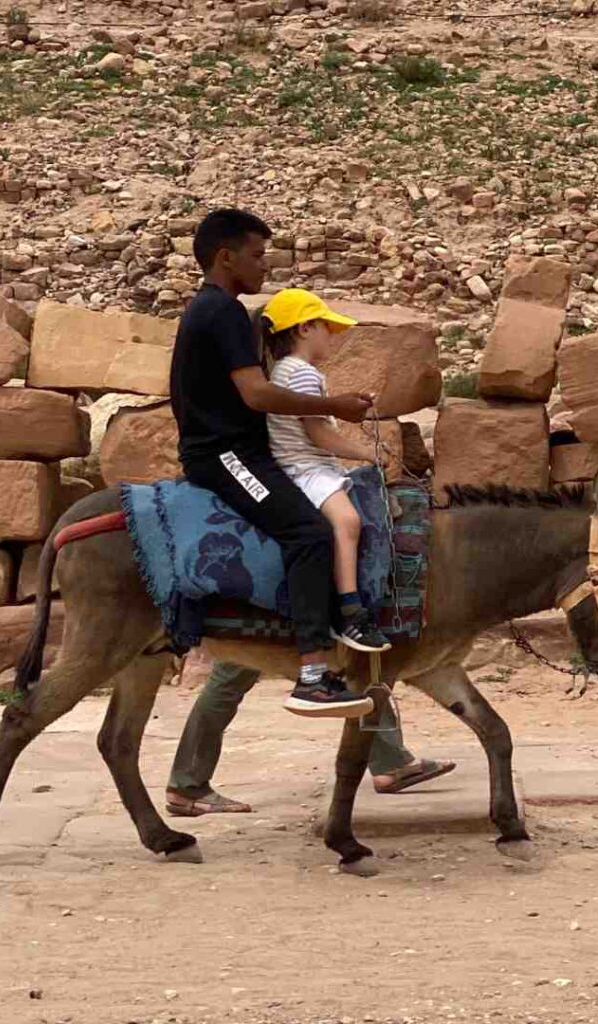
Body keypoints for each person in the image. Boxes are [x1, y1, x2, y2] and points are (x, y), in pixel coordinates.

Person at [170, 208, 373, 719]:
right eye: (258, 256)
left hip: (241, 451)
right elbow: (257, 395)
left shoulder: (220, 311)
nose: (265, 268)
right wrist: (336, 406)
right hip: (223, 456)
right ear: (225, 257)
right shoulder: (221, 312)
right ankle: (311, 673)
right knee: (309, 533)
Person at [261, 287, 391, 653]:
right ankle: (350, 611)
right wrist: (368, 453)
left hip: (308, 465)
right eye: (326, 328)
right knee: (347, 522)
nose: (332, 337)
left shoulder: (289, 371)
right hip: (304, 468)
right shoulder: (301, 374)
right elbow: (319, 436)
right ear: (304, 329)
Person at [165, 661, 457, 816]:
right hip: (274, 586)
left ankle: (390, 761)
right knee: (231, 676)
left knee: (351, 664)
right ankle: (187, 784)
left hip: (258, 581)